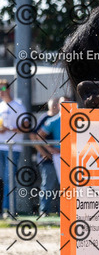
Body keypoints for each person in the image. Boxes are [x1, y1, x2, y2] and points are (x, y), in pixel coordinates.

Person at [31, 97, 62, 215]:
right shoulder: (48, 119)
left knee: (61, 184)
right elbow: (34, 137)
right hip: (48, 158)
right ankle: (44, 210)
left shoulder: (59, 119)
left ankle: (61, 210)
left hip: (58, 156)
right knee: (48, 184)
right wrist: (46, 152)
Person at [0, 79, 27, 217]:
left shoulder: (18, 106)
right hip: (1, 146)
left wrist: (9, 129)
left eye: (3, 89)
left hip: (13, 148)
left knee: (8, 179)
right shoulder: (0, 106)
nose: (1, 92)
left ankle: (8, 209)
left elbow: (26, 127)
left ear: (9, 89)